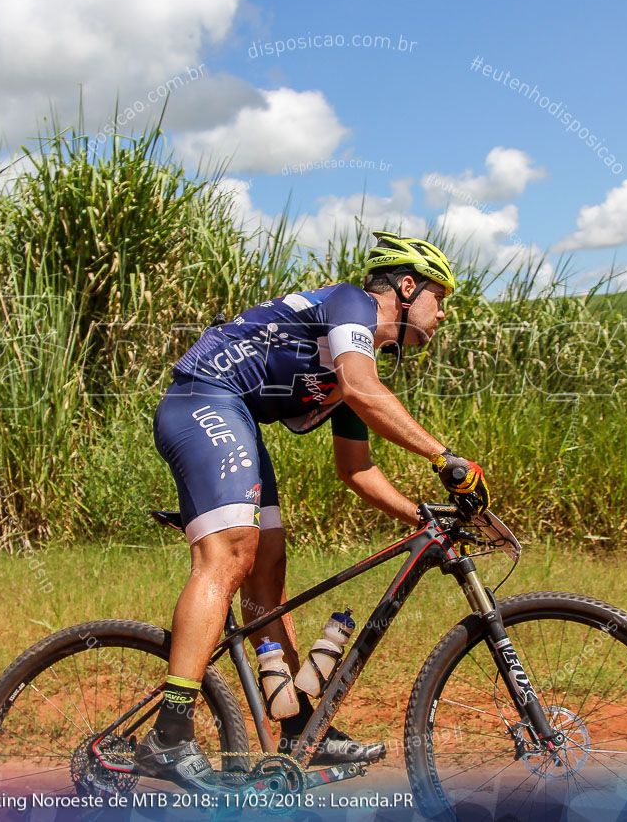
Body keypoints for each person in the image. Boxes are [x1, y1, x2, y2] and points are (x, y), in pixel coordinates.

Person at [133, 232, 491, 791]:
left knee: (268, 574)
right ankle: (170, 735)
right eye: (438, 298)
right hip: (203, 400)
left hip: (239, 420)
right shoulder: (352, 304)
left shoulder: (359, 365)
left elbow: (356, 469)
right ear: (405, 286)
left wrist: (421, 516)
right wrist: (445, 458)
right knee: (230, 557)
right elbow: (361, 387)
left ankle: (300, 727)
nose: (441, 314)